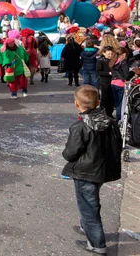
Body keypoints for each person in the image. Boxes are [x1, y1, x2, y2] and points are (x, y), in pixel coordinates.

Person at [62, 85, 122, 255]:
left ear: (76, 104)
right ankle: (85, 227)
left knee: (88, 207)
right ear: (98, 102)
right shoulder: (110, 122)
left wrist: (65, 152)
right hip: (102, 170)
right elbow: (118, 145)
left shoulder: (79, 127)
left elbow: (71, 153)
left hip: (85, 172)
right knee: (90, 202)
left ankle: (97, 244)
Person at [111, 48, 131, 122]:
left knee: (117, 103)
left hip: (113, 83)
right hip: (121, 84)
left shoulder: (114, 61)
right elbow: (126, 75)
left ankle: (117, 117)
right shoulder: (123, 62)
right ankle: (119, 119)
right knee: (121, 103)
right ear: (124, 54)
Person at [96, 46, 115, 118]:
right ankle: (103, 113)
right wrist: (108, 73)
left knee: (112, 99)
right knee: (105, 98)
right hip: (104, 81)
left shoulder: (113, 60)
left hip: (112, 81)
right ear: (104, 53)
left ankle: (109, 113)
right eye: (108, 54)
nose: (110, 56)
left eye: (111, 54)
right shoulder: (101, 61)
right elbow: (98, 71)